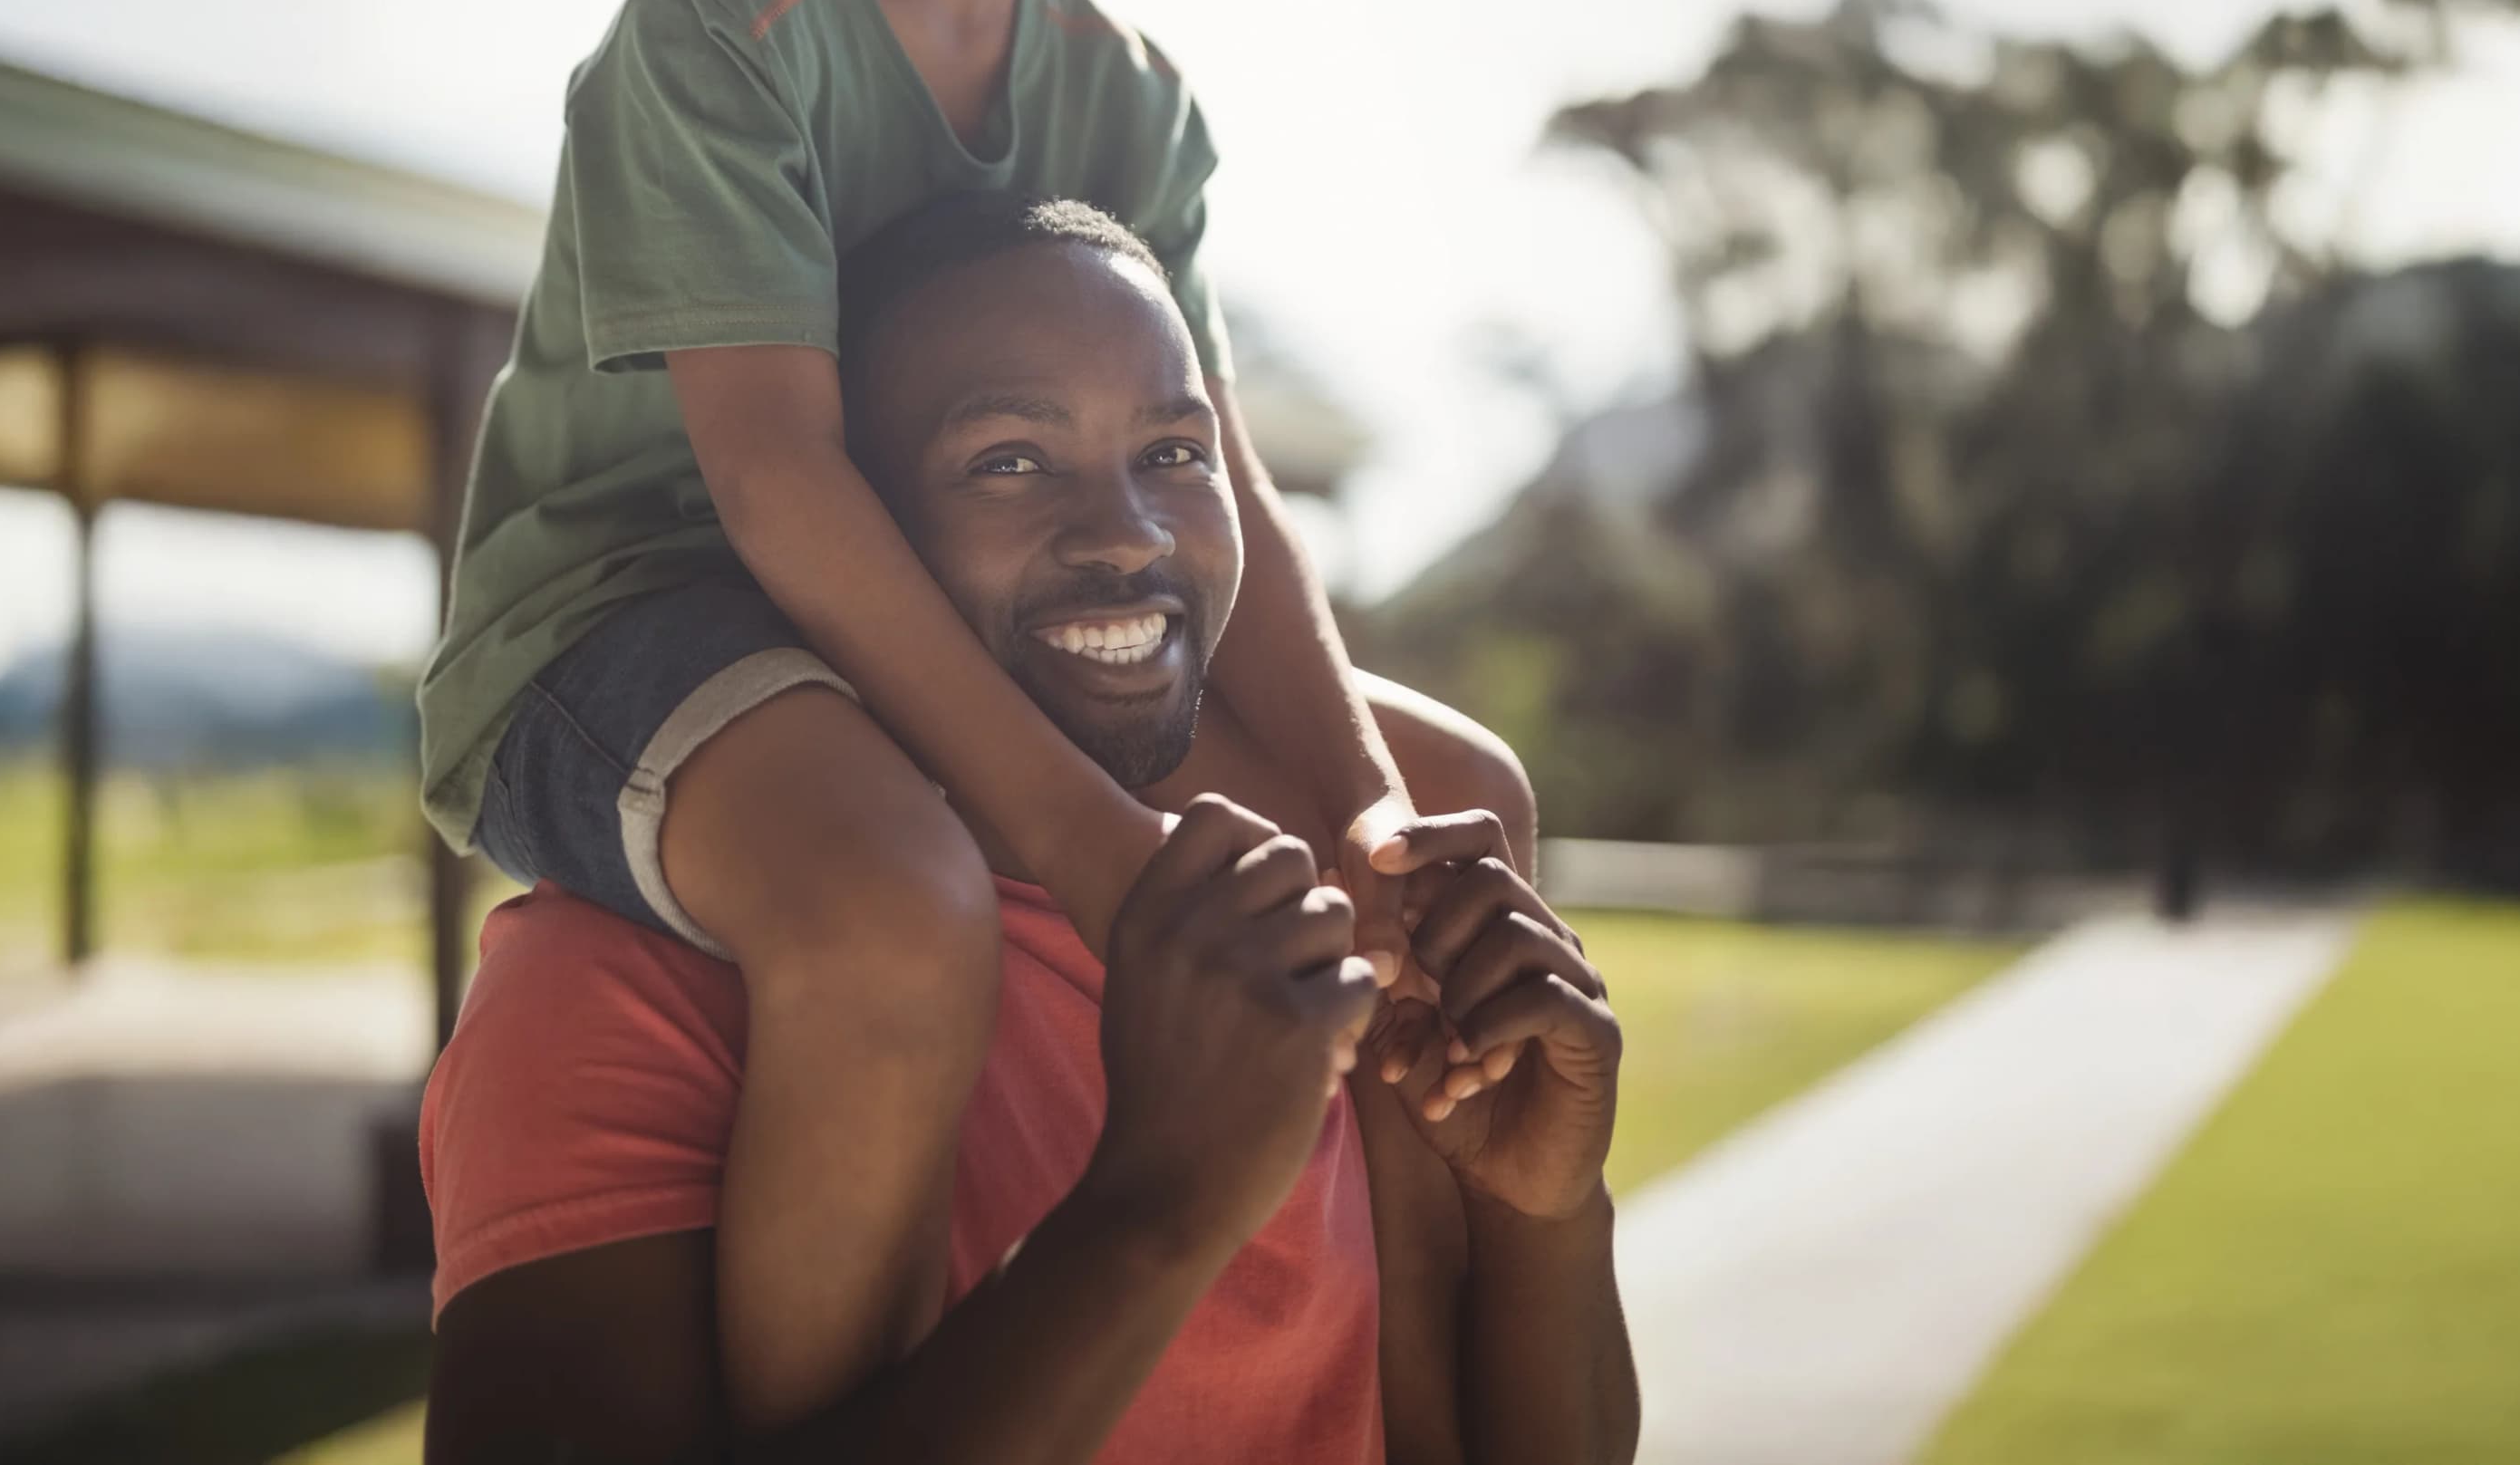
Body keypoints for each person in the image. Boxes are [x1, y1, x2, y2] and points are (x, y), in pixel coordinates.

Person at [417, 0, 1522, 1431]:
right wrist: (1105, 861)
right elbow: (774, 476)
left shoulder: (1128, 86)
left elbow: (1221, 475)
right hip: (635, 625)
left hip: (914, 576)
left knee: (1479, 795)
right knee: (898, 905)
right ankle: (822, 1414)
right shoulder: (718, 29)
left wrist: (1362, 795)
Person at [420, 197, 1638, 1463]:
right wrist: (1159, 1204)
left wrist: (1542, 1214)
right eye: (1008, 458)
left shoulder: (1327, 930)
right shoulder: (626, 979)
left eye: (1175, 452)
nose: (1129, 533)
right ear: (858, 541)